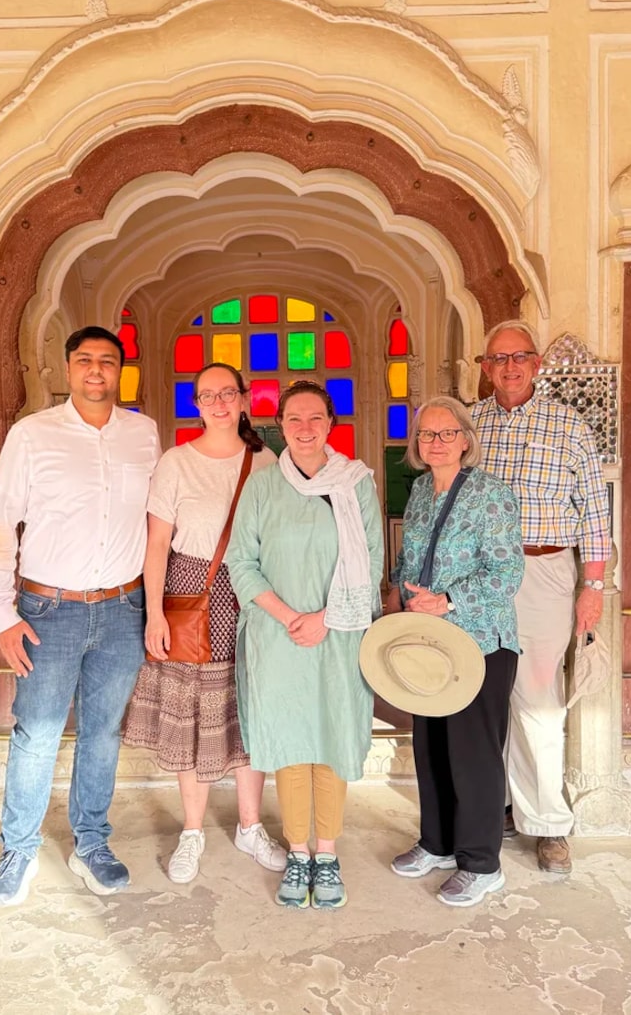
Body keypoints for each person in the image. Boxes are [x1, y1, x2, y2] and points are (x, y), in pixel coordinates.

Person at [0, 326, 159, 907]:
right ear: (66, 369)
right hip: (48, 609)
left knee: (102, 733)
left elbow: (161, 518)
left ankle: (91, 843)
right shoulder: (33, 435)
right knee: (37, 734)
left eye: (108, 361)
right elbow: (0, 522)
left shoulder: (144, 434)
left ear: (122, 370)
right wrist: (2, 613)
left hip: (124, 607)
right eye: (85, 361)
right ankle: (19, 849)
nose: (97, 371)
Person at [122, 362, 286, 883]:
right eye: (206, 395)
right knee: (192, 714)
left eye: (227, 393)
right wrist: (153, 613)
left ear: (244, 400)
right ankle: (192, 831)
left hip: (255, 597)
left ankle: (250, 825)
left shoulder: (266, 461)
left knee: (251, 712)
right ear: (196, 404)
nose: (218, 403)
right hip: (191, 597)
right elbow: (155, 546)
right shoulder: (175, 462)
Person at [226, 381, 383, 911]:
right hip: (278, 636)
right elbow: (241, 563)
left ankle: (328, 854)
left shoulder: (356, 483)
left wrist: (327, 619)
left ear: (331, 423)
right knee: (290, 743)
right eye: (294, 419)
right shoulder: (262, 486)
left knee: (333, 736)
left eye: (316, 418)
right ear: (281, 426)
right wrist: (292, 616)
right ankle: (298, 853)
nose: (306, 428)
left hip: (340, 635)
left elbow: (371, 565)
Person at [472, 320, 611, 875]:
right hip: (479, 579)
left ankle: (549, 824)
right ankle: (502, 806)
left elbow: (596, 515)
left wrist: (592, 586)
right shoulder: (470, 422)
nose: (509, 367)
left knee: (538, 699)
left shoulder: (569, 424)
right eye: (498, 359)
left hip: (544, 570)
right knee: (483, 695)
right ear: (484, 367)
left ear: (536, 364)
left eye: (520, 357)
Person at [386, 396, 524, 907]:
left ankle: (481, 863)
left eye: (446, 434)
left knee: (473, 753)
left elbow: (507, 571)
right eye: (427, 435)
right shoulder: (422, 490)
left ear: (466, 439)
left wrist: (447, 601)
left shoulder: (492, 494)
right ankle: (437, 843)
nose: (436, 442)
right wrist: (401, 597)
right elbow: (408, 557)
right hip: (428, 641)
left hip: (481, 641)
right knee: (431, 745)